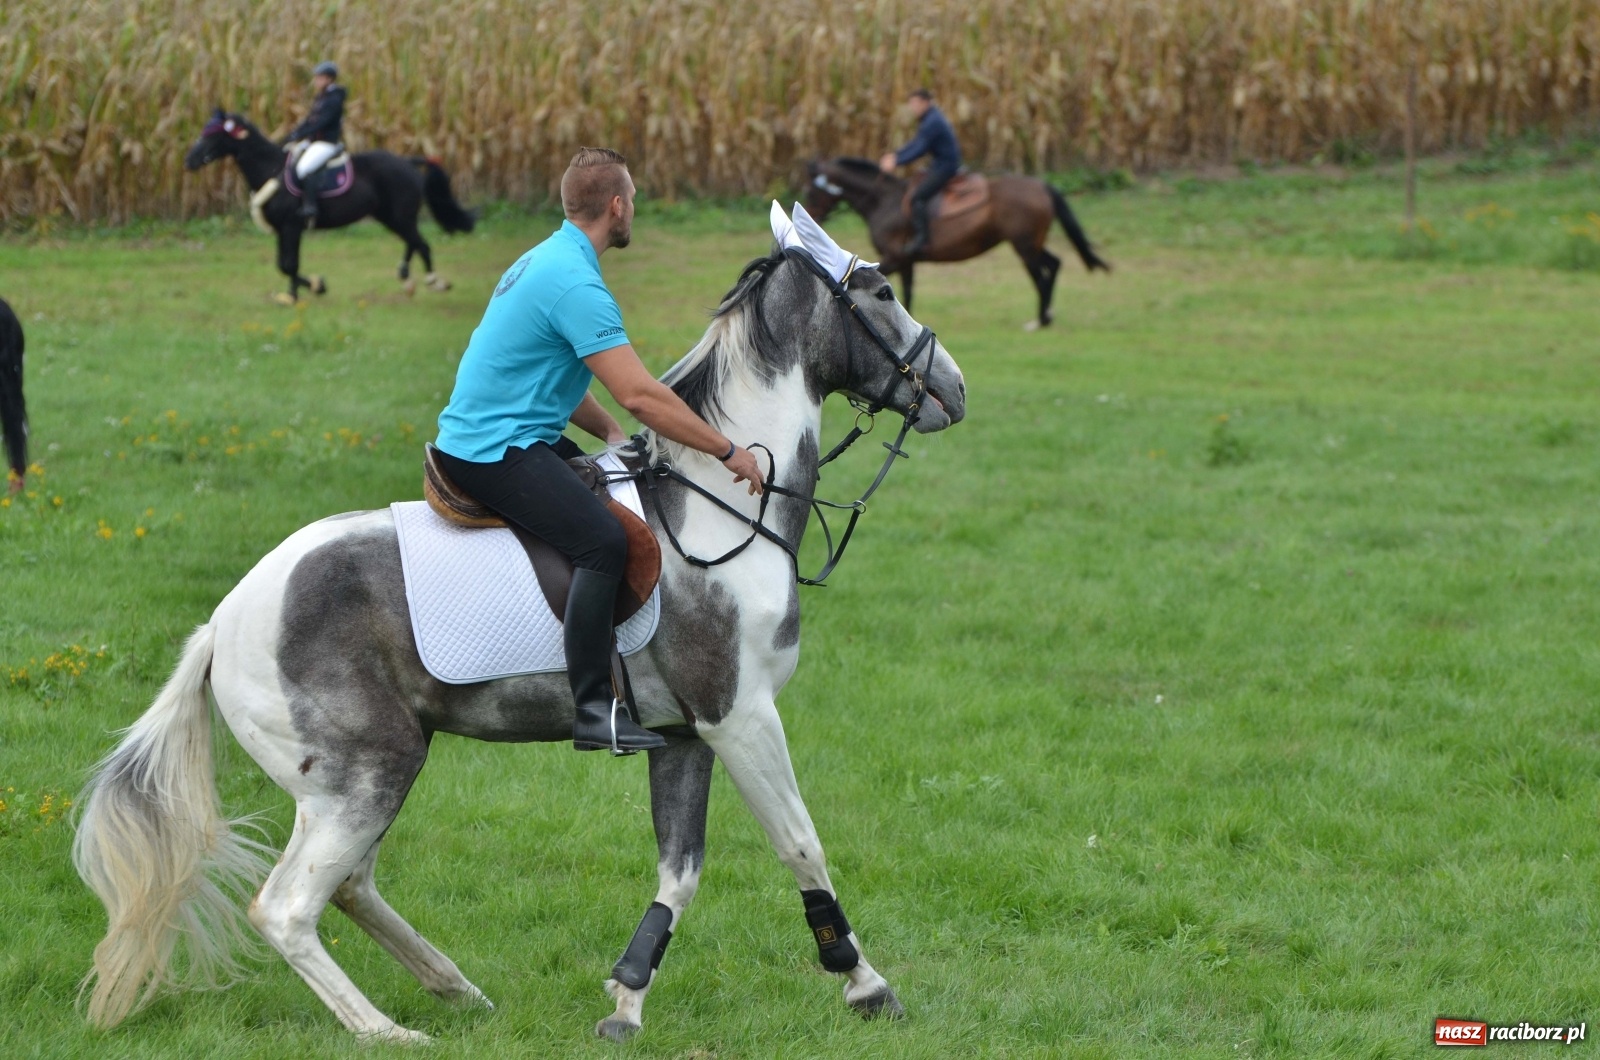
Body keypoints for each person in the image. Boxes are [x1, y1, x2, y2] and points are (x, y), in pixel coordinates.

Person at [433, 147, 765, 754]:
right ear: (616, 206)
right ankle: (592, 708)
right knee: (603, 543)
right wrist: (727, 450)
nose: (633, 207)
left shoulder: (547, 258)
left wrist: (611, 434)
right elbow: (641, 394)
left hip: (504, 431)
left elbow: (555, 373)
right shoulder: (575, 283)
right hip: (493, 450)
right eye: (631, 198)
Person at [879, 88, 963, 258]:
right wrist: (896, 155)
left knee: (918, 197)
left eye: (916, 104)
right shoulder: (930, 119)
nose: (913, 108)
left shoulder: (933, 121)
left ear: (926, 103)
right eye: (911, 104)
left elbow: (920, 148)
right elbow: (916, 143)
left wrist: (896, 161)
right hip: (938, 164)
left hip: (945, 167)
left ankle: (922, 239)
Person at [284, 60, 346, 224]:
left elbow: (322, 122)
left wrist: (302, 133)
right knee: (288, 156)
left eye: (320, 77)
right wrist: (294, 134)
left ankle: (310, 206)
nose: (316, 81)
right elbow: (310, 119)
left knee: (304, 168)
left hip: (326, 143)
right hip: (313, 142)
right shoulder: (321, 97)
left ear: (329, 79)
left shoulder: (334, 99)